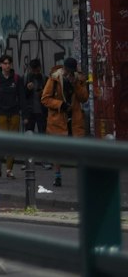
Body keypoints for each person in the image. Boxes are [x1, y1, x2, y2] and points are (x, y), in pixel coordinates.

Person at [43, 56, 90, 188]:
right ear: (64, 69)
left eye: (72, 71)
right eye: (68, 71)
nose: (69, 74)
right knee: (57, 150)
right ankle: (57, 176)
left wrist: (75, 84)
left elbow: (84, 98)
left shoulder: (79, 80)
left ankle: (82, 178)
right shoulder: (55, 79)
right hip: (58, 119)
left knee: (79, 149)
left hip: (74, 119)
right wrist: (60, 104)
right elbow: (45, 99)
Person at [0, 53, 25, 177]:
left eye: (9, 63)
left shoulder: (17, 79)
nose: (7, 66)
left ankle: (9, 170)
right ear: (1, 64)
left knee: (12, 141)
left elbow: (22, 97)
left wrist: (25, 115)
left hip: (14, 113)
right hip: (1, 113)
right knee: (4, 140)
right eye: (5, 63)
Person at [22, 57, 49, 133]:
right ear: (30, 69)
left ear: (40, 68)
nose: (35, 73)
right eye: (33, 71)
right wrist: (27, 89)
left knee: (42, 134)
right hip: (29, 113)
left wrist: (43, 92)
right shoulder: (25, 78)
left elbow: (49, 96)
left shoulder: (45, 79)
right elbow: (22, 96)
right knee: (29, 135)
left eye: (37, 71)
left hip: (42, 112)